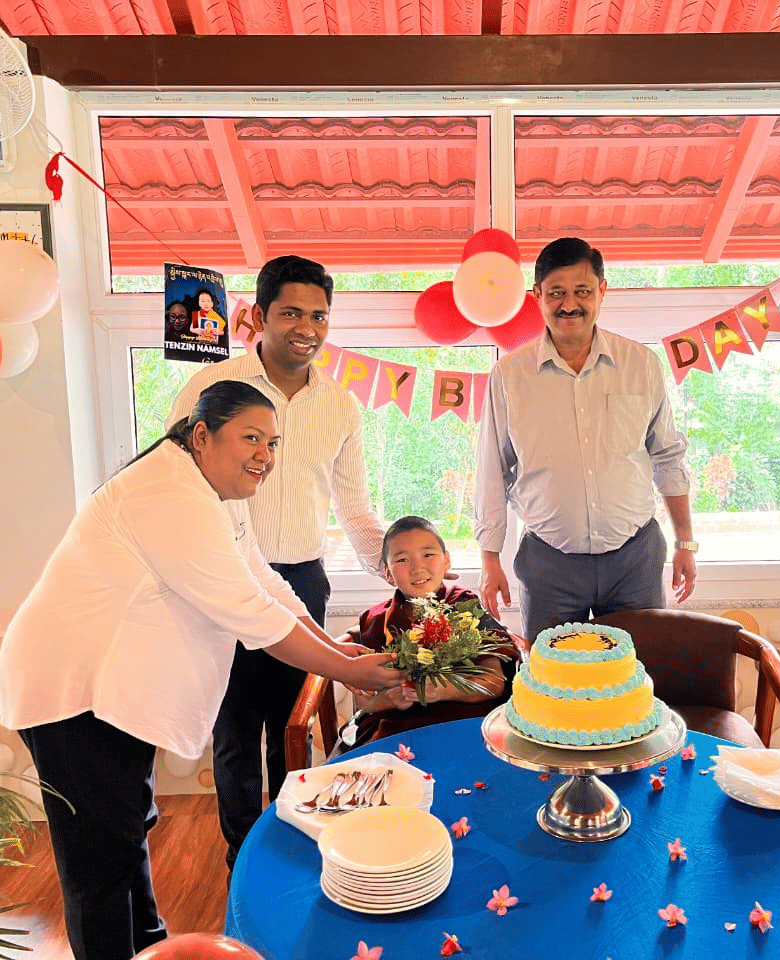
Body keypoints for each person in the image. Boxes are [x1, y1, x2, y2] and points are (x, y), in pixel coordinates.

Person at [0, 381, 404, 960]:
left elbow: (267, 586)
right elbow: (253, 617)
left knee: (128, 827)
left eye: (272, 442)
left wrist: (347, 658)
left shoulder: (211, 493)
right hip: (70, 691)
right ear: (201, 435)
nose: (265, 455)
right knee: (99, 861)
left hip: (112, 690)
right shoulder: (168, 495)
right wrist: (352, 673)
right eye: (250, 438)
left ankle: (149, 948)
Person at [167, 255, 385, 872]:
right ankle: (244, 859)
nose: (307, 327)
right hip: (224, 580)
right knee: (236, 730)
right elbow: (176, 480)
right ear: (259, 316)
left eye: (319, 315)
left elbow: (357, 511)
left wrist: (404, 571)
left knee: (294, 726)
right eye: (291, 312)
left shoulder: (341, 405)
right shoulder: (213, 391)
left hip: (303, 580)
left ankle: (293, 847)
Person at [474, 236, 697, 643]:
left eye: (582, 291)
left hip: (635, 558)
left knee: (637, 677)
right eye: (556, 293)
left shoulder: (641, 364)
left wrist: (686, 542)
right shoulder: (510, 375)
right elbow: (493, 469)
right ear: (537, 295)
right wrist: (490, 559)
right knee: (552, 687)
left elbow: (667, 456)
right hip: (549, 564)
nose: (569, 304)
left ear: (602, 291)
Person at [340, 515, 518, 750]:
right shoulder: (376, 620)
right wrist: (389, 699)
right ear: (388, 572)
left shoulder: (465, 608)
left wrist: (444, 688)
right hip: (398, 731)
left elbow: (494, 682)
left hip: (463, 726)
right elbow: (363, 701)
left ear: (446, 561)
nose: (417, 568)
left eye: (428, 555)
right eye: (402, 560)